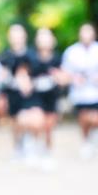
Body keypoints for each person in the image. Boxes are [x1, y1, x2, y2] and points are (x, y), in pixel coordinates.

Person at [62, 22, 98, 159]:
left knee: (96, 118)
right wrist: (74, 78)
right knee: (83, 118)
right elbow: (65, 72)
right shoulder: (71, 52)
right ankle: (86, 142)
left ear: (94, 34)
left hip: (97, 92)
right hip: (80, 93)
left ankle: (96, 134)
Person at [0, 23, 37, 159]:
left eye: (19, 34)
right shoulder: (5, 56)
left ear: (24, 36)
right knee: (15, 122)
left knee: (28, 119)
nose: (16, 38)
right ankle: (18, 147)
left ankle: (30, 143)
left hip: (30, 94)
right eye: (13, 35)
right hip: (12, 94)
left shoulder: (32, 54)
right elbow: (2, 78)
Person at [29, 28, 64, 164]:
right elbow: (24, 74)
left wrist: (58, 77)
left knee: (49, 126)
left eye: (47, 38)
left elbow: (64, 77)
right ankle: (34, 146)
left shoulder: (57, 58)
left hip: (52, 95)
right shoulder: (31, 57)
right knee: (36, 121)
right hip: (35, 95)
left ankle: (47, 152)